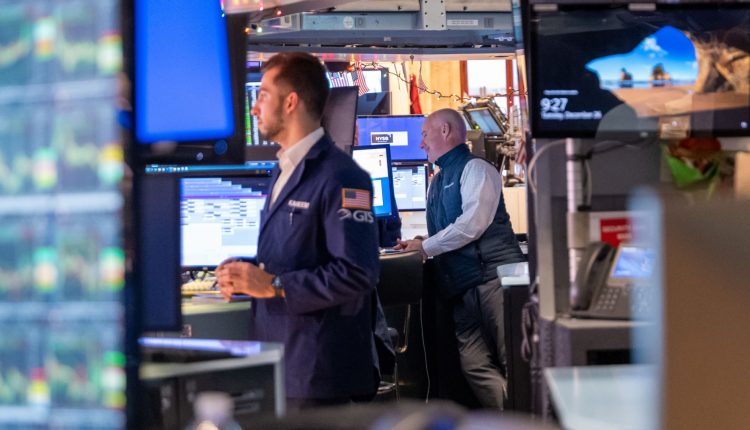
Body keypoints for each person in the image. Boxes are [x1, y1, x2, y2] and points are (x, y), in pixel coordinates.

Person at [215, 52, 382, 410]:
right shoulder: (283, 170)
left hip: (316, 372)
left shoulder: (342, 176)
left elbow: (357, 272)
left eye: (263, 95)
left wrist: (275, 285)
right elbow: (295, 254)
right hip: (280, 362)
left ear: (290, 102)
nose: (254, 108)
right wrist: (245, 272)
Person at [394, 108, 525, 409]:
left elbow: (472, 225)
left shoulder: (477, 169)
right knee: (473, 365)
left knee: (515, 362)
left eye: (424, 135)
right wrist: (420, 242)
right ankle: (509, 418)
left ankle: (525, 421)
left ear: (445, 131)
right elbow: (445, 230)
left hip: (494, 280)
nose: (421, 144)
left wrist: (426, 248)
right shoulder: (437, 181)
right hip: (461, 288)